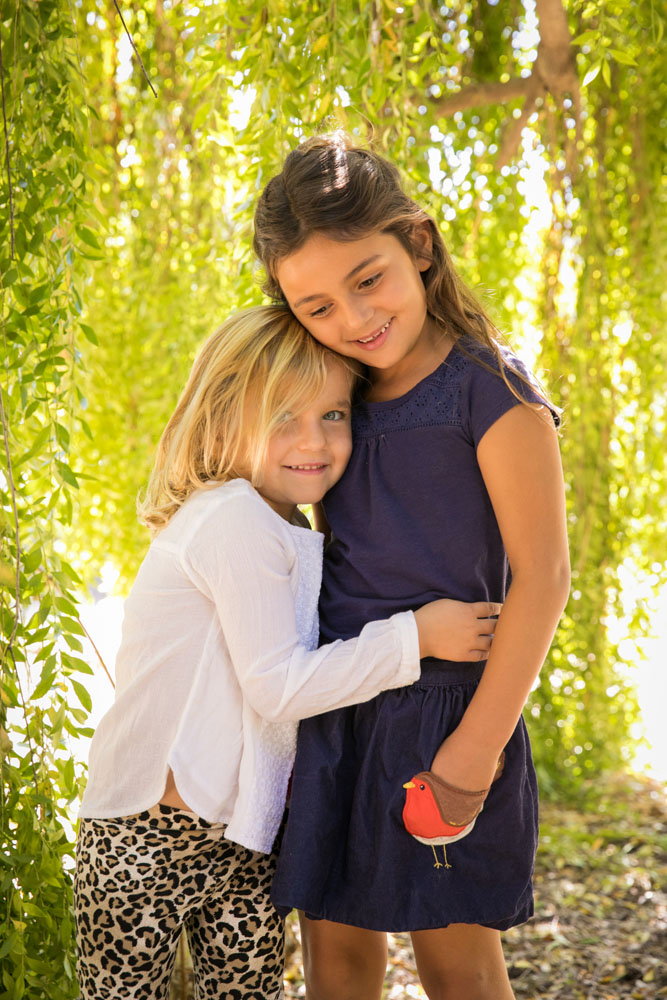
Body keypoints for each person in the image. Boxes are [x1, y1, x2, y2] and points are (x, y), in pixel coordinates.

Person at [73, 305, 500, 1000]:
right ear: (220, 419)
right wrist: (414, 637)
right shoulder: (233, 516)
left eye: (333, 415)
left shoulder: (282, 521)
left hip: (240, 840)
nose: (314, 440)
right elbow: (278, 686)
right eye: (283, 417)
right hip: (147, 836)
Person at [253, 134, 571, 1000]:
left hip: (449, 717)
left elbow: (543, 578)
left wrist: (474, 752)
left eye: (367, 280)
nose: (354, 320)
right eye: (316, 307)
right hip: (341, 706)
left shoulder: (490, 389)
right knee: (339, 957)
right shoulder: (332, 399)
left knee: (456, 959)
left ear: (418, 246)